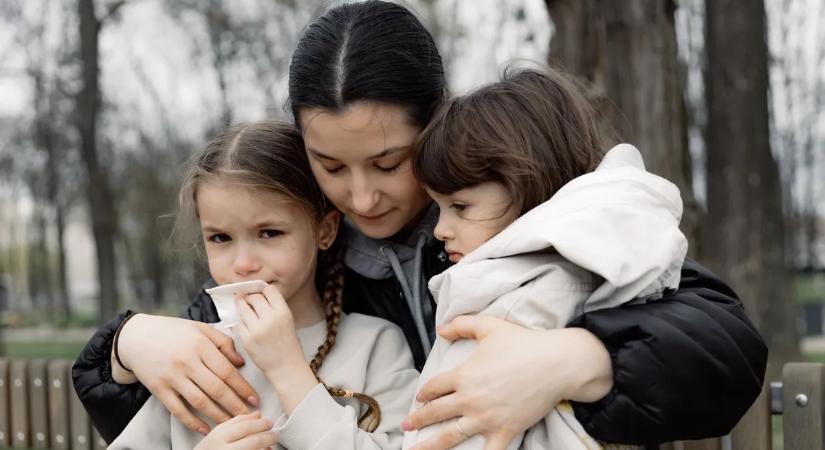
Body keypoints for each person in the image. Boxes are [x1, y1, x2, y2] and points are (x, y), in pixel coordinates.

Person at [72, 1, 767, 448]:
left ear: (432, 123)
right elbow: (196, 396)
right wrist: (126, 347)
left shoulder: (509, 223)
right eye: (330, 166)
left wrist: (575, 362)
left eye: (386, 161)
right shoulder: (302, 254)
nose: (362, 196)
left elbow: (720, 347)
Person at [403, 67, 687, 449]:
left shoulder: (510, 300)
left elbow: (454, 435)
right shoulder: (599, 267)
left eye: (460, 206)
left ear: (526, 188)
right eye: (438, 207)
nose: (441, 229)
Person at [106, 121, 419, 450]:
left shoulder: (376, 346)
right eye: (220, 238)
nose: (243, 263)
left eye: (269, 232)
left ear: (325, 231)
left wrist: (288, 369)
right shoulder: (194, 354)